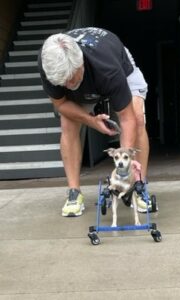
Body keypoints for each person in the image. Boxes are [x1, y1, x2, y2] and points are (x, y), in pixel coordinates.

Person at [38, 27, 151, 217]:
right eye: (63, 83)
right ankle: (74, 192)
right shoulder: (48, 63)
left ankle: (139, 185)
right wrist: (91, 121)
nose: (67, 85)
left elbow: (127, 117)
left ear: (80, 64)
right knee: (68, 122)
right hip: (85, 70)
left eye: (71, 80)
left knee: (138, 117)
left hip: (118, 63)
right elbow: (61, 103)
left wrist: (123, 168)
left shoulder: (107, 68)